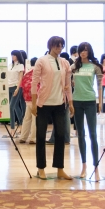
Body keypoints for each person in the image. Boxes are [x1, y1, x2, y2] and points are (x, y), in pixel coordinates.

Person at [31, 36, 73, 180]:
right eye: (56, 45)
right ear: (50, 46)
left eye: (61, 46)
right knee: (41, 136)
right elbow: (34, 82)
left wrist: (70, 102)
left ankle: (60, 169)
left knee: (60, 136)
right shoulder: (42, 61)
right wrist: (34, 103)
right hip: (44, 104)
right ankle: (41, 168)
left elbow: (68, 84)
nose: (59, 48)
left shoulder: (64, 62)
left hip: (60, 103)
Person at [71, 42, 104, 181]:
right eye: (81, 50)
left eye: (85, 50)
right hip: (77, 101)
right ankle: (84, 166)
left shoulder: (95, 66)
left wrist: (100, 102)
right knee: (80, 134)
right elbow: (67, 80)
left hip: (90, 101)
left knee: (93, 134)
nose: (83, 52)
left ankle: (96, 168)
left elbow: (100, 85)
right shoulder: (74, 66)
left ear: (89, 51)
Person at [17, 57, 37, 144]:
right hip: (35, 98)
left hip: (27, 98)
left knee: (27, 118)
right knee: (35, 118)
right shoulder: (38, 72)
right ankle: (33, 138)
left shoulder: (27, 73)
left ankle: (23, 137)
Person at [8, 50, 26, 132]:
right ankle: (21, 124)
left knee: (11, 107)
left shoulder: (21, 65)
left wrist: (17, 88)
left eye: (14, 55)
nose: (12, 56)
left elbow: (20, 78)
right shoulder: (9, 65)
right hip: (8, 86)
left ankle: (12, 128)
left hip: (16, 87)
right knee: (14, 107)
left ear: (18, 56)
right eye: (12, 55)